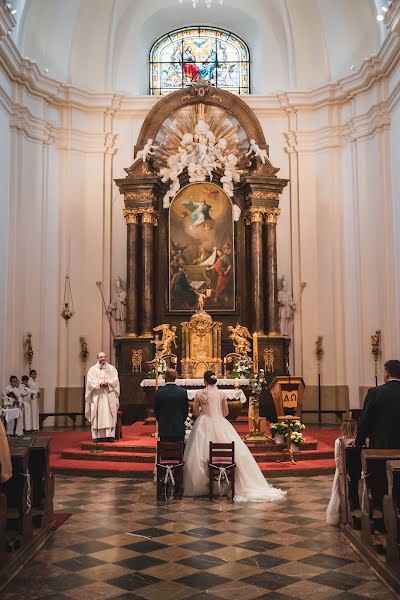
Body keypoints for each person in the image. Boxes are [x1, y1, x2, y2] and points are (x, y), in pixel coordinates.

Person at [183, 370, 287, 502]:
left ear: (204, 381)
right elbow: (225, 413)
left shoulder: (199, 394)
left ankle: (203, 486)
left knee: (200, 452)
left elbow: (196, 413)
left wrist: (204, 414)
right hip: (221, 423)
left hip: (202, 424)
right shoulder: (221, 394)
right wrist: (217, 414)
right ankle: (226, 484)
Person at [355, 360, 400, 448]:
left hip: (381, 446)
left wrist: (359, 441)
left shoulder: (375, 392)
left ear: (386, 373)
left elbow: (365, 419)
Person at [326, 419, 357, 525]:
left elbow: (337, 458)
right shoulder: (358, 440)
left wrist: (341, 471)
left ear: (343, 429)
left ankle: (340, 515)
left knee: (339, 491)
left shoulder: (339, 441)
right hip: (356, 470)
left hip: (342, 470)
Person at [85, 352, 120, 442]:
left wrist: (107, 383)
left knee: (109, 415)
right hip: (97, 396)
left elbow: (115, 381)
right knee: (97, 415)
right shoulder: (92, 370)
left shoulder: (112, 369)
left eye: (104, 357)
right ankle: (97, 436)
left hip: (109, 395)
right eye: (101, 357)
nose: (103, 358)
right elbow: (89, 383)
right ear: (97, 358)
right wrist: (99, 383)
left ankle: (110, 436)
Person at [154, 369, 189, 443]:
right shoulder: (182, 392)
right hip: (178, 427)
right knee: (179, 450)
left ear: (165, 377)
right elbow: (185, 411)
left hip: (164, 427)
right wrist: (180, 420)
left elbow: (156, 411)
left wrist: (162, 421)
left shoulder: (159, 392)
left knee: (165, 450)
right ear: (175, 377)